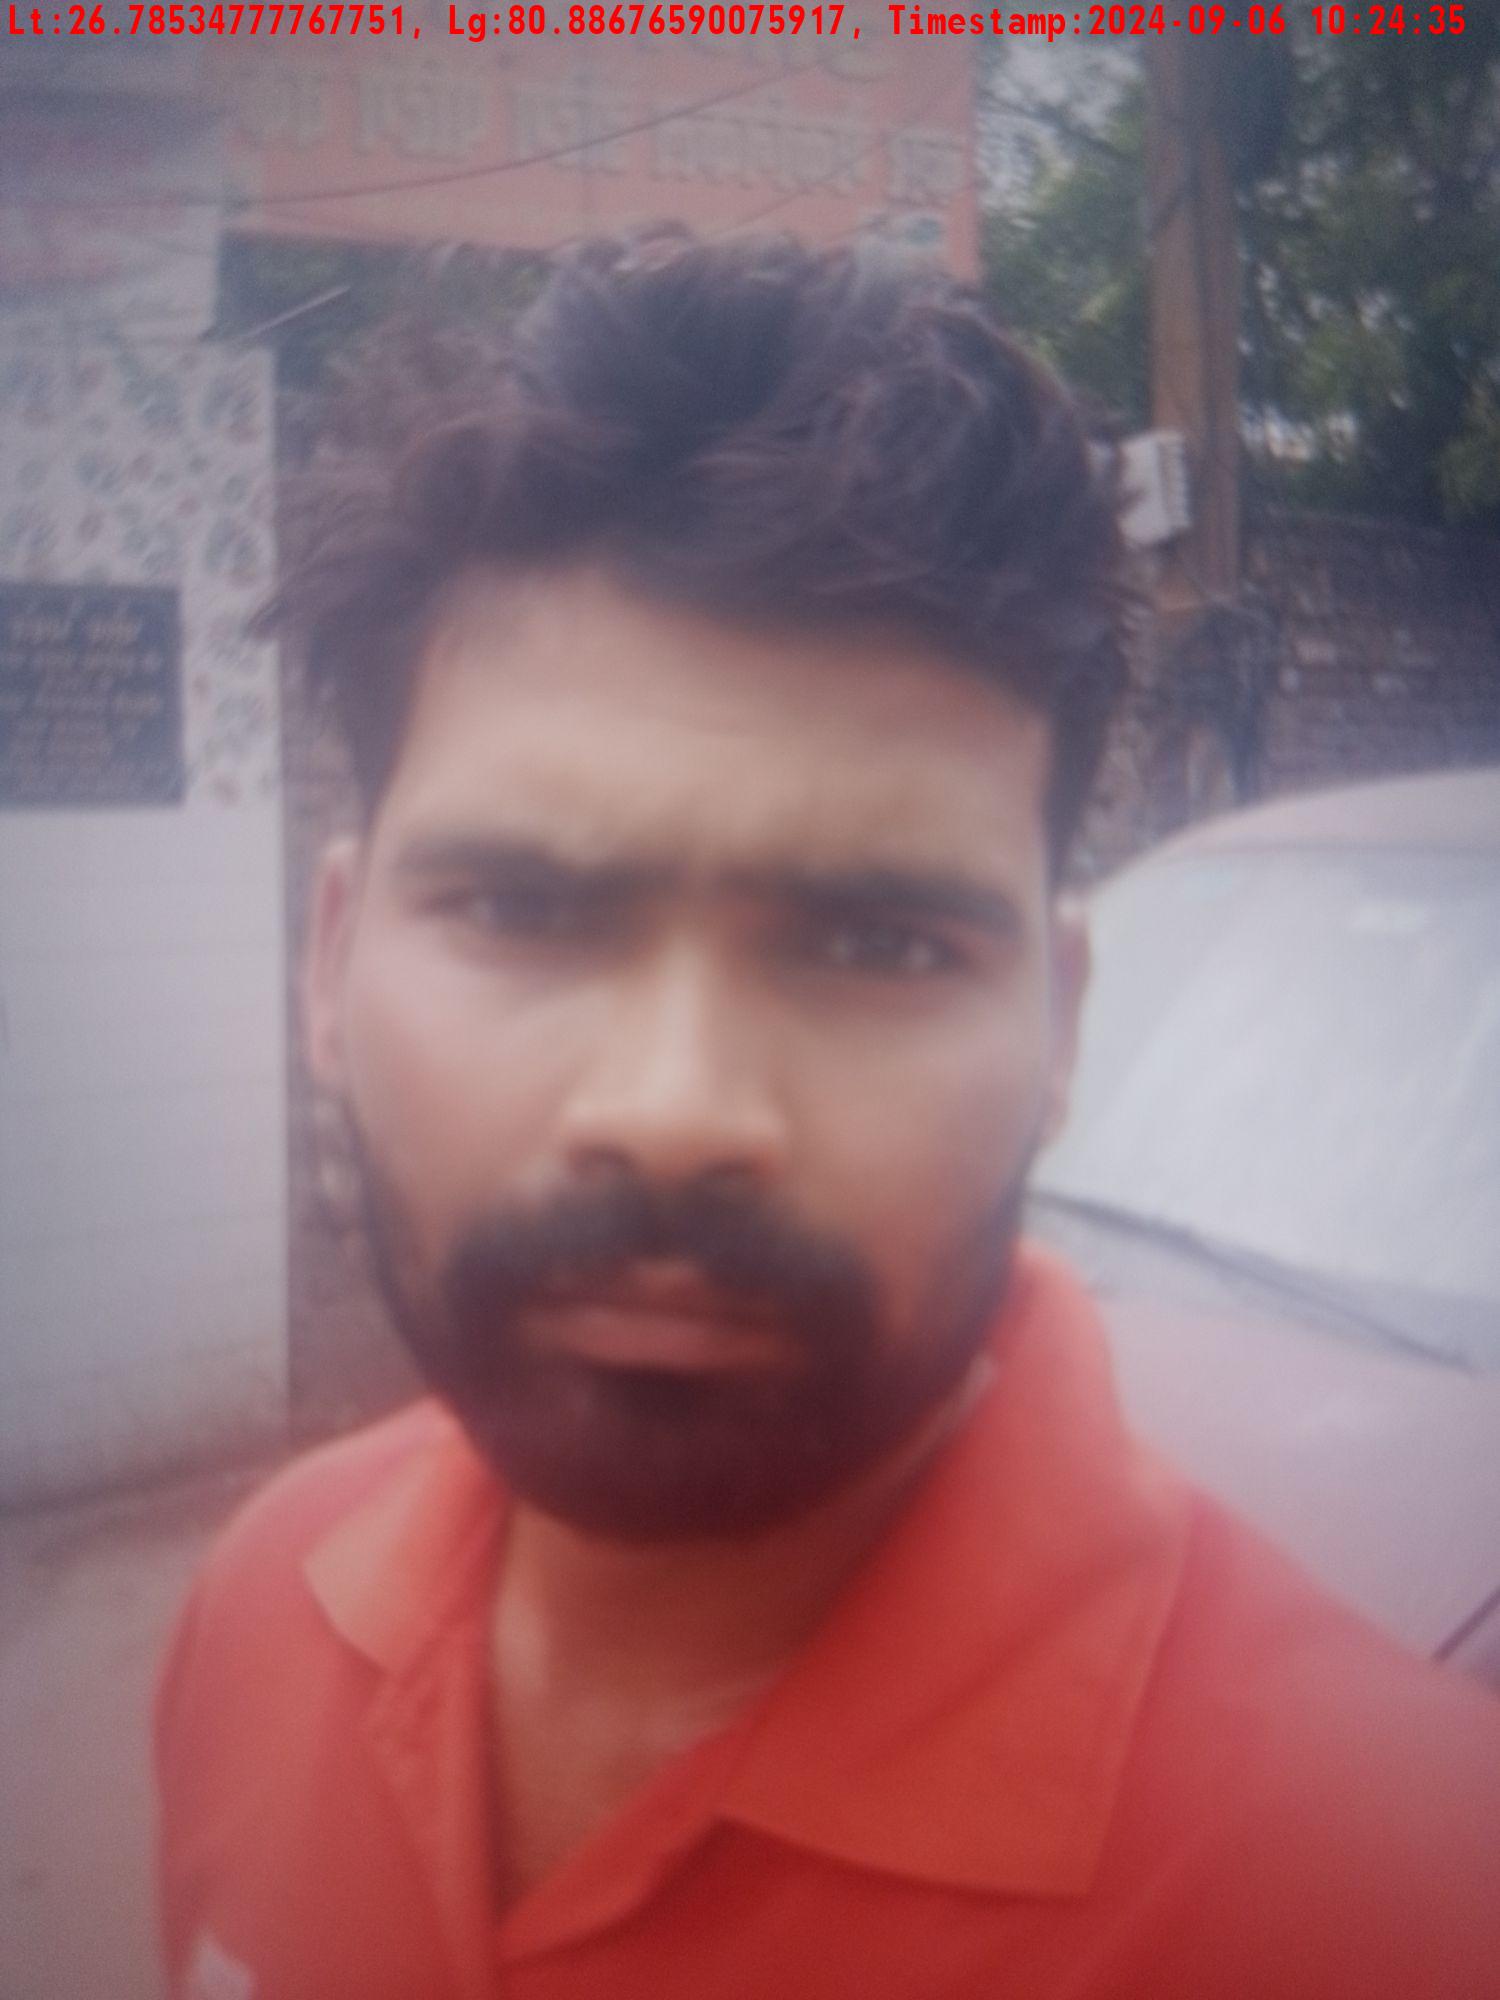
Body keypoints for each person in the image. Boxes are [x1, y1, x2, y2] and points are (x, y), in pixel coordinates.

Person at [153, 230, 1500, 2000]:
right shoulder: (259, 1609)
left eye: (879, 943)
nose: (675, 1111)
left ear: (1061, 1021)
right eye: (522, 910)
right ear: (330, 963)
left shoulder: (1408, 1892)